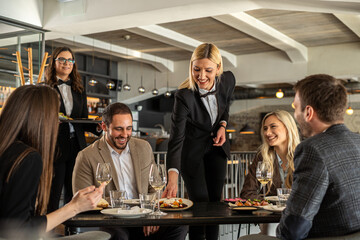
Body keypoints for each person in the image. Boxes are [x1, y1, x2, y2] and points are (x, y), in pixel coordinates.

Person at [240, 74, 360, 240]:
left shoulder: (312, 149)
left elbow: (293, 229)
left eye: (295, 108)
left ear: (308, 112)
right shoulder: (357, 141)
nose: (296, 115)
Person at [0, 85, 109, 239]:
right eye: (55, 115)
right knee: (100, 236)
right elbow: (17, 230)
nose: (58, 122)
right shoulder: (27, 158)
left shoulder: (7, 149)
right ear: (39, 118)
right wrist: (74, 207)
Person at [72, 102, 188, 240]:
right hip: (112, 219)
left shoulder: (143, 147)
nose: (125, 135)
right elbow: (82, 199)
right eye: (118, 129)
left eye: (128, 128)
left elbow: (155, 187)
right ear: (104, 126)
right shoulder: (86, 156)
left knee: (180, 225)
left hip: (144, 215)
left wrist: (150, 214)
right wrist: (122, 203)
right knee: (119, 236)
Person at [163, 43, 235, 240]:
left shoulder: (227, 80)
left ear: (218, 68)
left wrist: (222, 124)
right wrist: (172, 177)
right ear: (191, 67)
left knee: (215, 204)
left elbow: (226, 104)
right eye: (196, 69)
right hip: (191, 153)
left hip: (216, 149)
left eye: (208, 70)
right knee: (200, 202)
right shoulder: (184, 96)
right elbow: (176, 138)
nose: (201, 76)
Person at [46, 46, 100, 212]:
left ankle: (72, 230)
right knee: (53, 193)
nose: (66, 63)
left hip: (76, 146)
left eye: (70, 60)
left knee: (74, 191)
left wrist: (96, 127)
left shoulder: (79, 88)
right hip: (55, 146)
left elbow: (82, 120)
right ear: (54, 62)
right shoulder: (45, 87)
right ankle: (49, 230)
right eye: (62, 59)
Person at [240, 110, 300, 236]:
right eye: (265, 128)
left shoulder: (303, 155)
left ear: (287, 127)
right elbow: (247, 193)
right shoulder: (262, 157)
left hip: (299, 216)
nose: (267, 133)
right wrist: (270, 205)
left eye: (273, 127)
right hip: (272, 217)